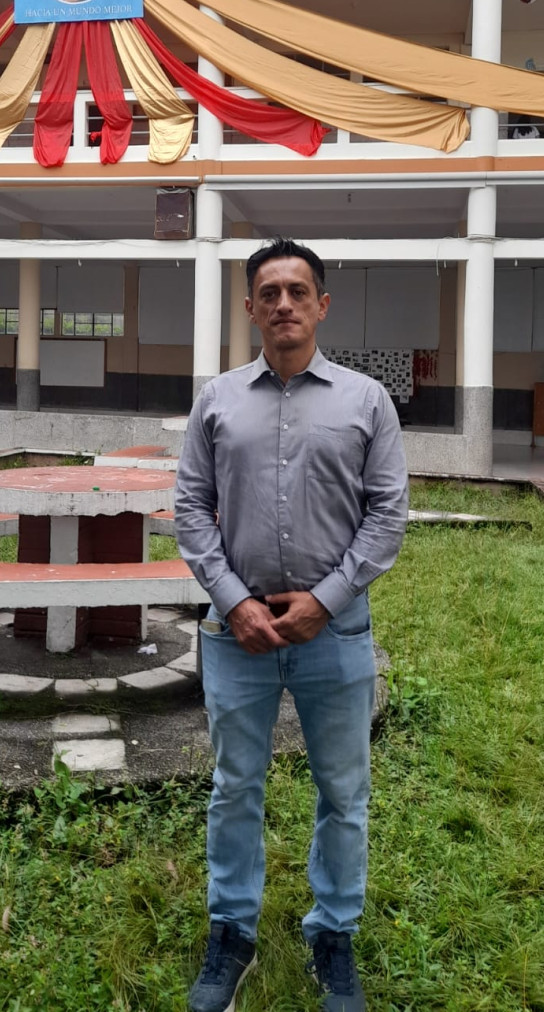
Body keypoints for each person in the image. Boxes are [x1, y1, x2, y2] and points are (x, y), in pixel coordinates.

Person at [175, 238, 409, 1012]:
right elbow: (188, 511)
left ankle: (331, 933)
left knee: (343, 791)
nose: (282, 304)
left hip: (333, 633)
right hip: (234, 634)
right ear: (248, 307)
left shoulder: (365, 402)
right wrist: (234, 601)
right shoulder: (215, 400)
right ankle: (230, 933)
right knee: (233, 787)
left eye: (297, 291)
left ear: (320, 305)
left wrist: (327, 599)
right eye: (268, 292)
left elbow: (386, 517)